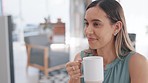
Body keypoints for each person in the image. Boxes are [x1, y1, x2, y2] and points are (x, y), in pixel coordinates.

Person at [66, 0, 148, 83]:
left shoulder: (137, 63)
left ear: (116, 27)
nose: (87, 31)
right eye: (86, 23)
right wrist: (74, 78)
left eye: (96, 24)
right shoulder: (80, 59)